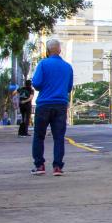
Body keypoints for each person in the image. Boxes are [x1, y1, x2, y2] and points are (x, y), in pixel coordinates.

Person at [31, 39, 74, 176]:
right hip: (61, 105)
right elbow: (68, 88)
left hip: (44, 104)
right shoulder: (68, 67)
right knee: (59, 137)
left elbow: (36, 84)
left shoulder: (43, 64)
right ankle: (57, 167)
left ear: (47, 51)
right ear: (60, 50)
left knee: (39, 136)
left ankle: (39, 166)